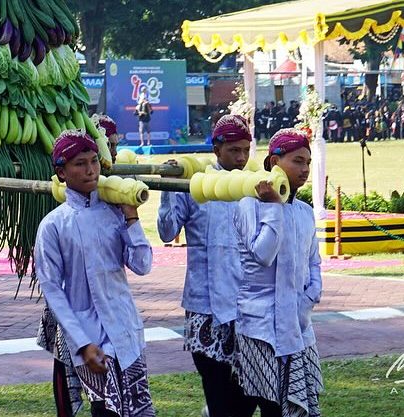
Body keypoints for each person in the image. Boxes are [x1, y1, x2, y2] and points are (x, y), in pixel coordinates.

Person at [36, 130, 155, 417]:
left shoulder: (114, 213)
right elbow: (53, 290)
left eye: (93, 161)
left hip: (125, 330)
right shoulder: (53, 225)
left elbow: (142, 265)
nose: (90, 170)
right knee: (105, 412)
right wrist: (82, 343)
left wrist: (131, 217)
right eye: (80, 164)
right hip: (86, 334)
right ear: (61, 172)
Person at [158, 115, 255, 417]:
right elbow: (166, 232)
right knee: (216, 390)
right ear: (216, 149)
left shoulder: (253, 187)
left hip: (249, 307)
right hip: (205, 308)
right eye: (233, 150)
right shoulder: (196, 184)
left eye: (245, 150)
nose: (240, 158)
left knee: (249, 393)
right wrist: (170, 185)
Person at [234, 128, 324, 417]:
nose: (305, 169)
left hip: (298, 325)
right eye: (297, 161)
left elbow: (314, 263)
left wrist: (309, 299)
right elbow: (263, 254)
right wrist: (273, 207)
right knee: (270, 407)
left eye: (308, 162)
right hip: (260, 326)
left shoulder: (304, 211)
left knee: (298, 408)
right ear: (274, 162)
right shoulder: (249, 205)